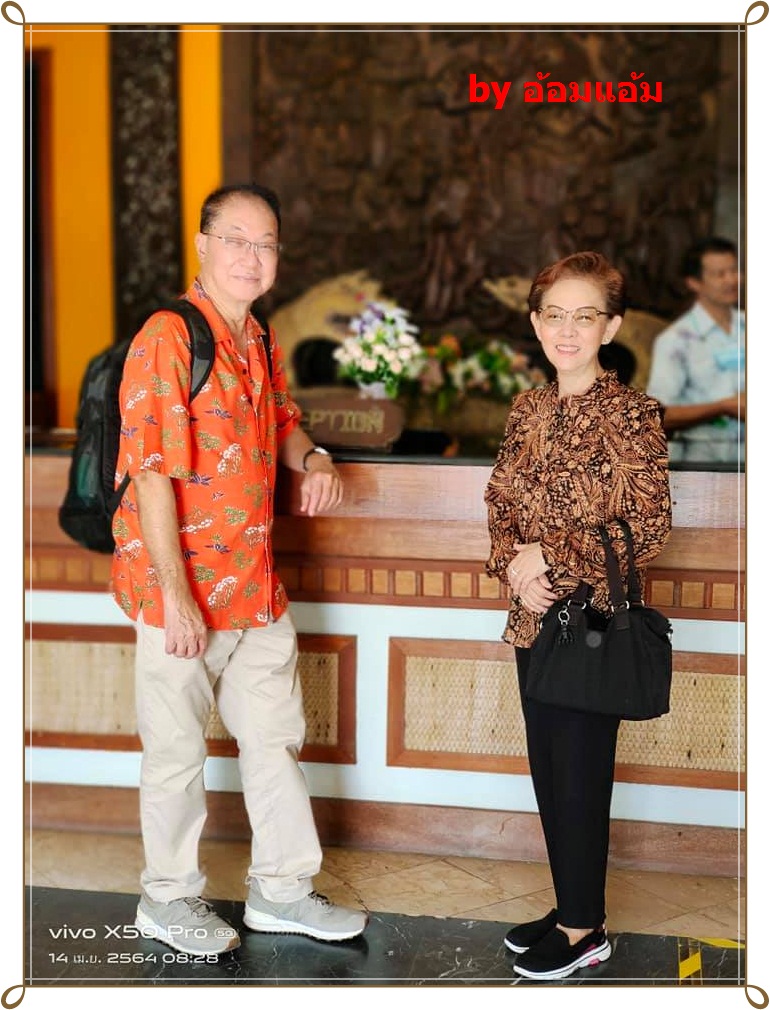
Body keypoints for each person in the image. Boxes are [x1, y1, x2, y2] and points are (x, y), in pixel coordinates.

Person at [110, 182, 368, 956]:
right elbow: (151, 473)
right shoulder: (167, 336)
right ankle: (166, 899)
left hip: (254, 586)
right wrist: (177, 598)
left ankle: (281, 891)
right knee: (176, 752)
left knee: (275, 740)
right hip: (179, 592)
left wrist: (314, 458)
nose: (251, 257)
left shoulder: (257, 336)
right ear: (202, 244)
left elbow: (283, 419)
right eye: (236, 240)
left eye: (266, 244)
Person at [484, 251, 672, 982]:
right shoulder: (528, 409)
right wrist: (514, 565)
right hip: (533, 618)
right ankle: (572, 904)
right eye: (554, 316)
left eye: (584, 316)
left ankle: (584, 929)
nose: (567, 330)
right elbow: (501, 502)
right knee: (550, 770)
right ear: (536, 324)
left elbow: (647, 526)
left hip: (590, 624)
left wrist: (550, 559)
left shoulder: (632, 415)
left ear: (611, 327)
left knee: (581, 776)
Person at [646, 236, 745, 464]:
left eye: (734, 271)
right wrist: (722, 407)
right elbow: (657, 415)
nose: (732, 280)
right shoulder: (675, 341)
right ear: (694, 283)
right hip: (701, 466)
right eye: (720, 274)